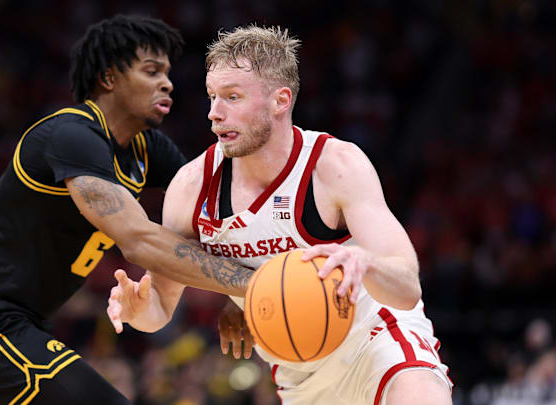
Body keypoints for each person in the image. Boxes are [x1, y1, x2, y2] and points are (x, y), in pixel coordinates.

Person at [107, 25, 453, 405]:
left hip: (375, 338)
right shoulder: (191, 188)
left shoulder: (334, 165)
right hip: (298, 374)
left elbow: (407, 288)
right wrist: (137, 311)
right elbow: (160, 307)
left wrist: (364, 261)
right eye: (211, 97)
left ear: (280, 100)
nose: (214, 114)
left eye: (232, 97)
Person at [0, 15, 254, 405]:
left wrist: (240, 297)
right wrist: (253, 285)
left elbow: (218, 208)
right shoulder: (71, 134)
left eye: (167, 72)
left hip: (20, 320)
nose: (167, 83)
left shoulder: (149, 149)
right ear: (109, 78)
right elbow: (138, 241)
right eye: (151, 71)